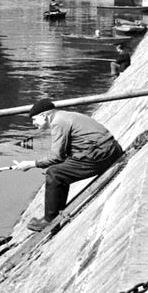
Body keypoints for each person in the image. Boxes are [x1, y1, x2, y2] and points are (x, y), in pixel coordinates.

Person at [13, 98, 124, 230]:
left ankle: (50, 220)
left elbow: (56, 157)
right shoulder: (65, 115)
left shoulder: (58, 122)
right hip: (111, 150)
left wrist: (32, 164)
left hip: (103, 155)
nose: (33, 123)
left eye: (34, 119)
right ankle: (54, 214)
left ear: (44, 115)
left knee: (54, 173)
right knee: (61, 170)